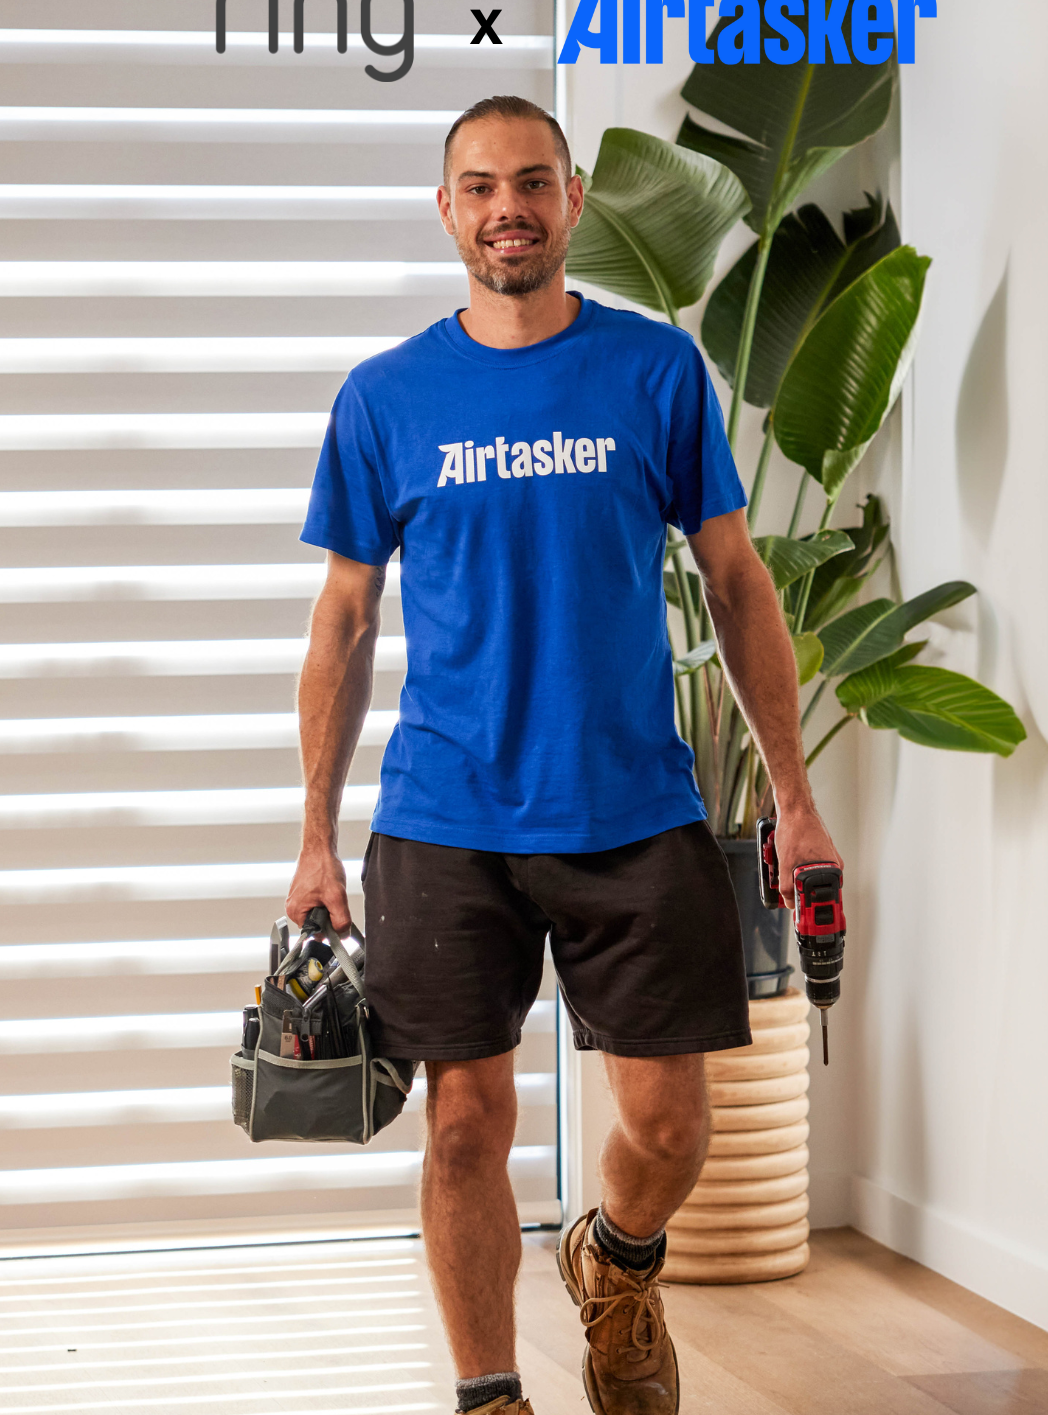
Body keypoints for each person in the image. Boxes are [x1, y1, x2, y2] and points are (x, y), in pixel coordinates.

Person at [287, 95, 841, 1415]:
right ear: (447, 211)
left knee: (668, 1127)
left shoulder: (655, 375)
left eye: (531, 182)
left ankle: (618, 1260)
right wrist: (314, 835)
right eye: (478, 187)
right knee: (465, 1119)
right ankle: (492, 1395)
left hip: (632, 802)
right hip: (447, 813)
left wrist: (797, 802)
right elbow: (347, 616)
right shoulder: (385, 398)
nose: (506, 207)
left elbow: (739, 582)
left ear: (574, 200)